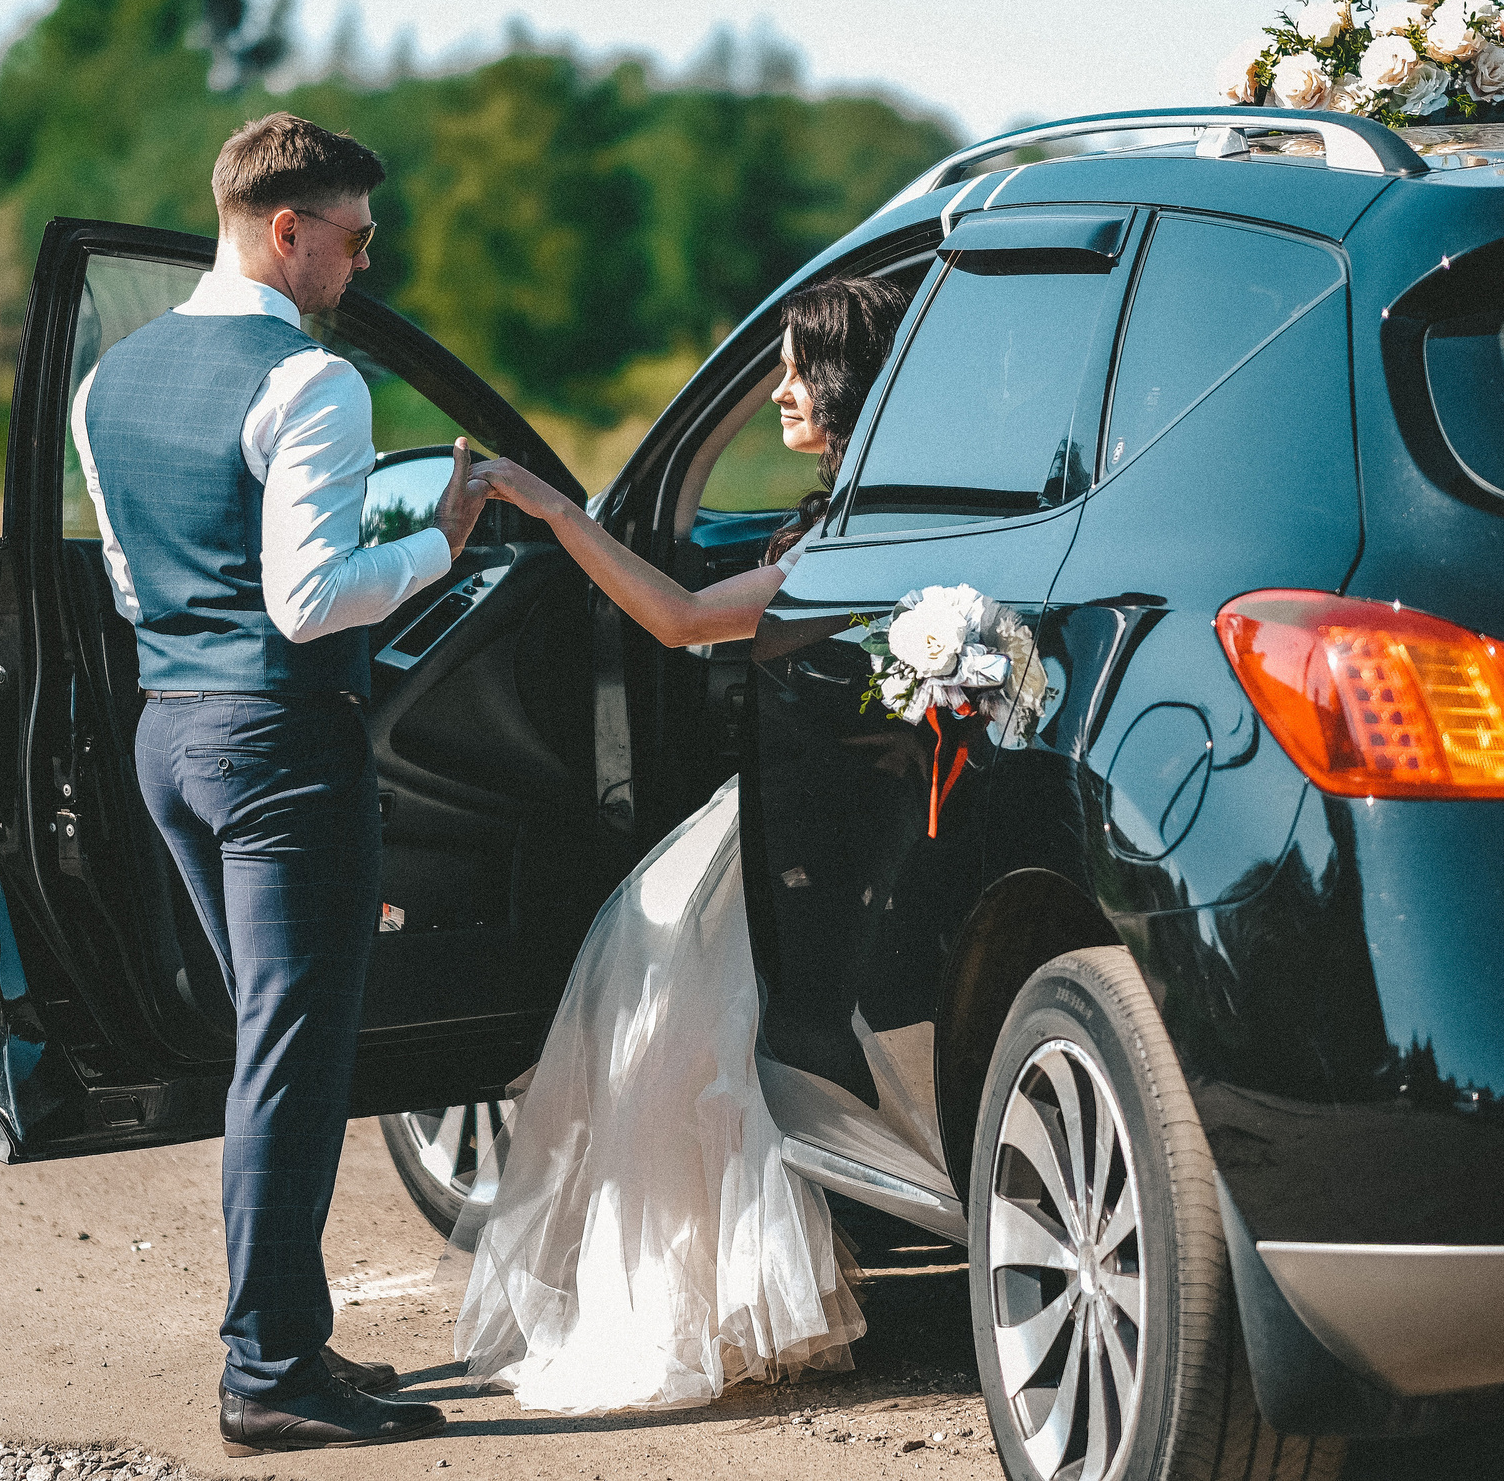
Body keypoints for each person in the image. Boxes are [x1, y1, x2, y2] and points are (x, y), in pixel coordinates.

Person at [73, 113, 482, 1456]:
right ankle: (268, 1371)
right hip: (279, 750)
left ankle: (290, 1339)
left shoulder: (107, 383)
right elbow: (311, 601)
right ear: (287, 230)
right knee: (292, 1063)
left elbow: (134, 579)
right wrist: (438, 543)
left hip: (168, 740)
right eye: (355, 239)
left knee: (275, 1050)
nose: (364, 265)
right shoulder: (311, 385)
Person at [451, 274, 911, 1412]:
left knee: (671, 1033)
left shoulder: (863, 529)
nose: (779, 397)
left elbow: (681, 620)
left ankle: (704, 1311)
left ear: (851, 382)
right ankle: (727, 1298)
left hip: (805, 820)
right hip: (797, 806)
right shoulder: (863, 510)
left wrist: (562, 517)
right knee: (672, 1024)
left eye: (800, 373)